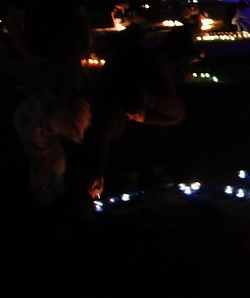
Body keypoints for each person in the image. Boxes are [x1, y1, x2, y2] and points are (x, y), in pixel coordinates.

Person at [86, 26, 186, 198]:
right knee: (123, 134)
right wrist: (98, 173)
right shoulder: (111, 90)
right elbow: (102, 135)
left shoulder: (162, 95)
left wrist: (146, 118)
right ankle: (130, 175)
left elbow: (177, 115)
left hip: (150, 79)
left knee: (156, 131)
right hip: (120, 83)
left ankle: (157, 169)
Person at [14, 90, 91, 206]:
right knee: (45, 163)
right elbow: (39, 160)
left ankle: (57, 192)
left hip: (42, 121)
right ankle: (45, 199)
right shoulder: (35, 132)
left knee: (56, 161)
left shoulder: (56, 111)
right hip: (29, 124)